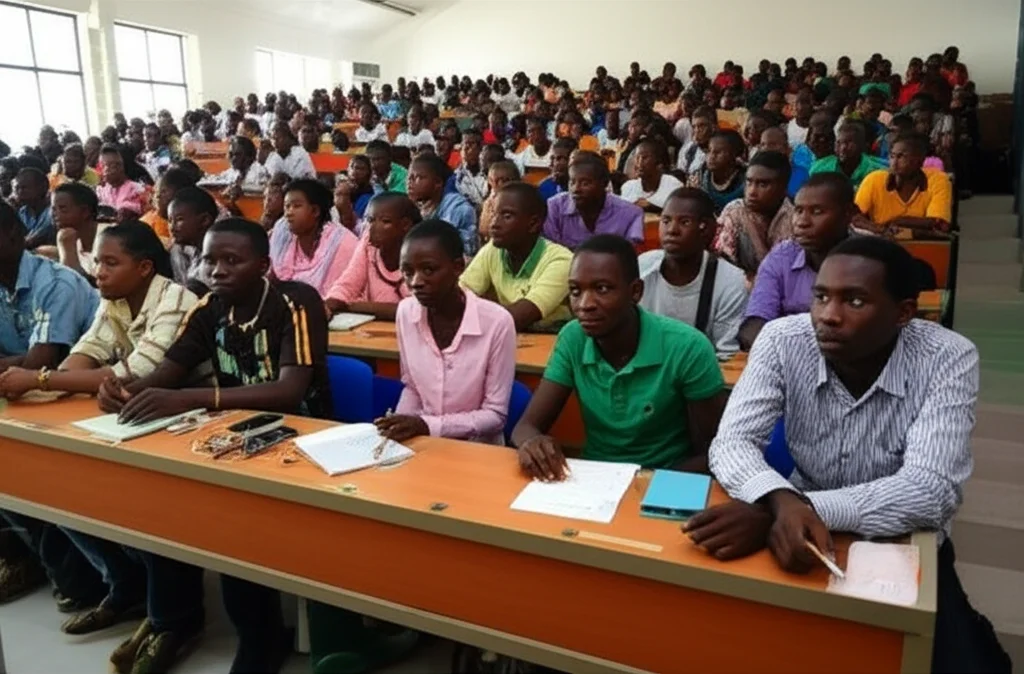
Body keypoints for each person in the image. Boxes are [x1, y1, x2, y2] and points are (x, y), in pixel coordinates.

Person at [694, 236, 1010, 674]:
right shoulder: (783, 339)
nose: (828, 315)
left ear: (903, 312)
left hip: (901, 537)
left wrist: (790, 510)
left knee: (948, 660)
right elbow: (731, 443)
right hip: (791, 522)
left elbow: (929, 491)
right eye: (821, 296)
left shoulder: (947, 357)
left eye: (855, 301)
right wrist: (782, 501)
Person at [101, 218, 328, 674]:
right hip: (236, 437)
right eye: (209, 260)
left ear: (263, 265)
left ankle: (260, 640)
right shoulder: (209, 307)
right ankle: (174, 618)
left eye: (231, 260)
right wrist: (126, 390)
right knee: (165, 500)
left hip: (306, 437)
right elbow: (167, 374)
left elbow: (289, 392)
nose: (217, 270)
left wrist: (191, 398)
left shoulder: (296, 302)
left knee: (233, 522)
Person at [510, 234, 726, 479]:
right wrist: (532, 442)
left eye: (602, 289)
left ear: (635, 292)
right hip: (596, 479)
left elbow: (714, 452)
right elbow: (526, 426)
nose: (584, 304)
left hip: (667, 479)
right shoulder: (573, 338)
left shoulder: (688, 348)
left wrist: (646, 482)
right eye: (575, 291)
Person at [375, 219, 516, 446]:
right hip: (423, 443)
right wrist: (399, 426)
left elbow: (495, 415)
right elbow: (413, 388)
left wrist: (428, 425)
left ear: (458, 267)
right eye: (407, 272)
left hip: (476, 449)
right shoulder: (406, 312)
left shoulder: (497, 322)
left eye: (429, 270)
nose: (416, 282)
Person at [736, 173, 856, 350]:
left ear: (847, 214)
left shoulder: (870, 262)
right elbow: (754, 326)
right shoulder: (782, 257)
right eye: (798, 211)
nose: (802, 222)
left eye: (817, 212)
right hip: (788, 357)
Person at [638, 187, 748, 358]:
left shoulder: (731, 282)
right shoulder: (642, 267)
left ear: (706, 229)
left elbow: (727, 356)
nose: (672, 230)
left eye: (685, 222)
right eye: (666, 220)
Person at [461, 182, 572, 332]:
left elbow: (522, 315)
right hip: (509, 334)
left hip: (551, 339)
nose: (494, 223)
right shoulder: (493, 250)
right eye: (493, 213)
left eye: (507, 216)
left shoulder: (561, 260)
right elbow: (460, 297)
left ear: (533, 224)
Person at [324, 192, 422, 321]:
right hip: (376, 328)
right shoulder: (368, 244)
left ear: (405, 225)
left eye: (385, 221)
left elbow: (416, 310)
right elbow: (347, 284)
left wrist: (353, 306)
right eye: (370, 220)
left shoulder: (421, 253)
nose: (372, 227)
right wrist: (329, 305)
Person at [270, 178, 358, 299]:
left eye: (296, 206)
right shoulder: (283, 234)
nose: (288, 213)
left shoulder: (342, 243)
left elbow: (343, 294)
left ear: (315, 211)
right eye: (287, 206)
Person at [715, 150, 794, 280]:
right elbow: (723, 265)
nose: (752, 191)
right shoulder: (734, 212)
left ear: (783, 187)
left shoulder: (795, 219)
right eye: (749, 182)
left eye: (763, 184)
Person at [854, 132, 952, 235]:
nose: (894, 162)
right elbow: (855, 217)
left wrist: (897, 221)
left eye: (901, 156)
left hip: (922, 243)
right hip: (881, 241)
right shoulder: (874, 179)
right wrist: (880, 229)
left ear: (920, 161)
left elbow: (938, 223)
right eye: (892, 156)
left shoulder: (938, 180)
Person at [543, 151, 643, 250]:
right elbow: (552, 252)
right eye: (572, 182)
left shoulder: (631, 214)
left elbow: (630, 255)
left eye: (585, 183)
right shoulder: (555, 207)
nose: (576, 189)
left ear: (604, 183)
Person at [406, 153, 478, 257]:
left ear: (438, 182)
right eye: (409, 177)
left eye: (418, 177)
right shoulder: (419, 207)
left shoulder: (458, 208)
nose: (410, 182)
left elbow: (459, 250)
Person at [46, 182, 102, 279]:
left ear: (85, 212)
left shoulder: (112, 237)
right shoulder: (71, 237)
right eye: (54, 209)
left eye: (62, 209)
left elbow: (72, 281)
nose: (54, 214)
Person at [167, 186, 218, 292]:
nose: (172, 227)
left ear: (204, 220)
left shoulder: (217, 259)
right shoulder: (192, 251)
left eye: (179, 220)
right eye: (170, 220)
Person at [810, 122, 887, 190]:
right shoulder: (820, 169)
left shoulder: (877, 171)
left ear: (862, 145)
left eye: (849, 143)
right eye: (838, 143)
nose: (843, 148)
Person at [687, 130, 746, 215]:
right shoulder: (700, 176)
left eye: (718, 152)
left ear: (734, 154)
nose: (711, 156)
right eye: (709, 151)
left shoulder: (746, 181)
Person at [620, 139, 683, 212]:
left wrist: (652, 207)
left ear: (659, 164)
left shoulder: (673, 186)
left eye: (644, 158)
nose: (639, 163)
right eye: (637, 158)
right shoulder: (628, 187)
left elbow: (680, 212)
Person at [96, 144, 150, 222]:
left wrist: (132, 212)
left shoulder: (138, 190)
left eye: (110, 166)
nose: (105, 170)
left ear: (121, 167)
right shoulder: (100, 190)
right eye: (102, 166)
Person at [203, 136, 269, 199]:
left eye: (237, 155)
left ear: (249, 156)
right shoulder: (232, 171)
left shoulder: (260, 171)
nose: (233, 159)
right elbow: (216, 179)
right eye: (231, 154)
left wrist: (242, 189)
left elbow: (265, 189)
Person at [478, 159, 520, 241]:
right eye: (495, 181)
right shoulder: (488, 203)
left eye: (506, 180)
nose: (500, 184)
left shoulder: (522, 202)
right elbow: (483, 230)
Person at [13, 167, 55, 249]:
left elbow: (31, 241)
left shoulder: (54, 211)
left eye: (24, 188)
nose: (20, 192)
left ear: (43, 187)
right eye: (17, 188)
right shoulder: (22, 212)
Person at [448, 128, 488, 210]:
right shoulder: (455, 177)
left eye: (470, 144)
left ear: (481, 147)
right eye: (463, 144)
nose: (465, 148)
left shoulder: (490, 174)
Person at [677, 106, 717, 177]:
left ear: (713, 127)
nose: (697, 131)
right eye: (694, 127)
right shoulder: (688, 149)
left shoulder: (722, 151)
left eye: (701, 126)